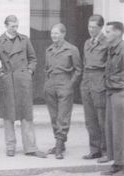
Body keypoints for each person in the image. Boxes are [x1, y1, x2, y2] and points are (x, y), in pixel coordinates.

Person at [0, 15, 46, 159]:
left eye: (16, 26)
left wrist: (29, 72)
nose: (15, 29)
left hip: (23, 81)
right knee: (8, 116)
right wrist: (1, 75)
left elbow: (33, 58)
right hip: (7, 82)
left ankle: (30, 147)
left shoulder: (24, 40)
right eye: (12, 26)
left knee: (26, 114)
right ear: (6, 26)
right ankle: (10, 146)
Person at [44, 23, 82, 159]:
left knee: (63, 117)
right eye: (52, 33)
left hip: (65, 84)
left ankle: (59, 145)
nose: (54, 36)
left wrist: (70, 84)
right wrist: (48, 84)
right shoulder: (48, 50)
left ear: (63, 34)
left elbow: (78, 70)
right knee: (54, 116)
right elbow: (46, 68)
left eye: (57, 33)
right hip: (51, 86)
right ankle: (60, 143)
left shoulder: (72, 49)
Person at [81, 14, 108, 162]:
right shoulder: (87, 43)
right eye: (89, 27)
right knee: (90, 119)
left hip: (100, 82)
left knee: (102, 119)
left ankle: (106, 150)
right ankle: (94, 150)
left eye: (94, 27)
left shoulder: (107, 42)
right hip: (87, 82)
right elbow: (85, 63)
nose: (91, 30)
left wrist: (104, 83)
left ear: (101, 27)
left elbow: (110, 66)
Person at [101, 21, 124, 175]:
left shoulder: (122, 50)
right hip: (111, 90)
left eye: (108, 31)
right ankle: (117, 160)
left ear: (117, 33)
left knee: (119, 130)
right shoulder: (111, 49)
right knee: (112, 129)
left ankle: (119, 164)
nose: (105, 34)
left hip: (120, 92)